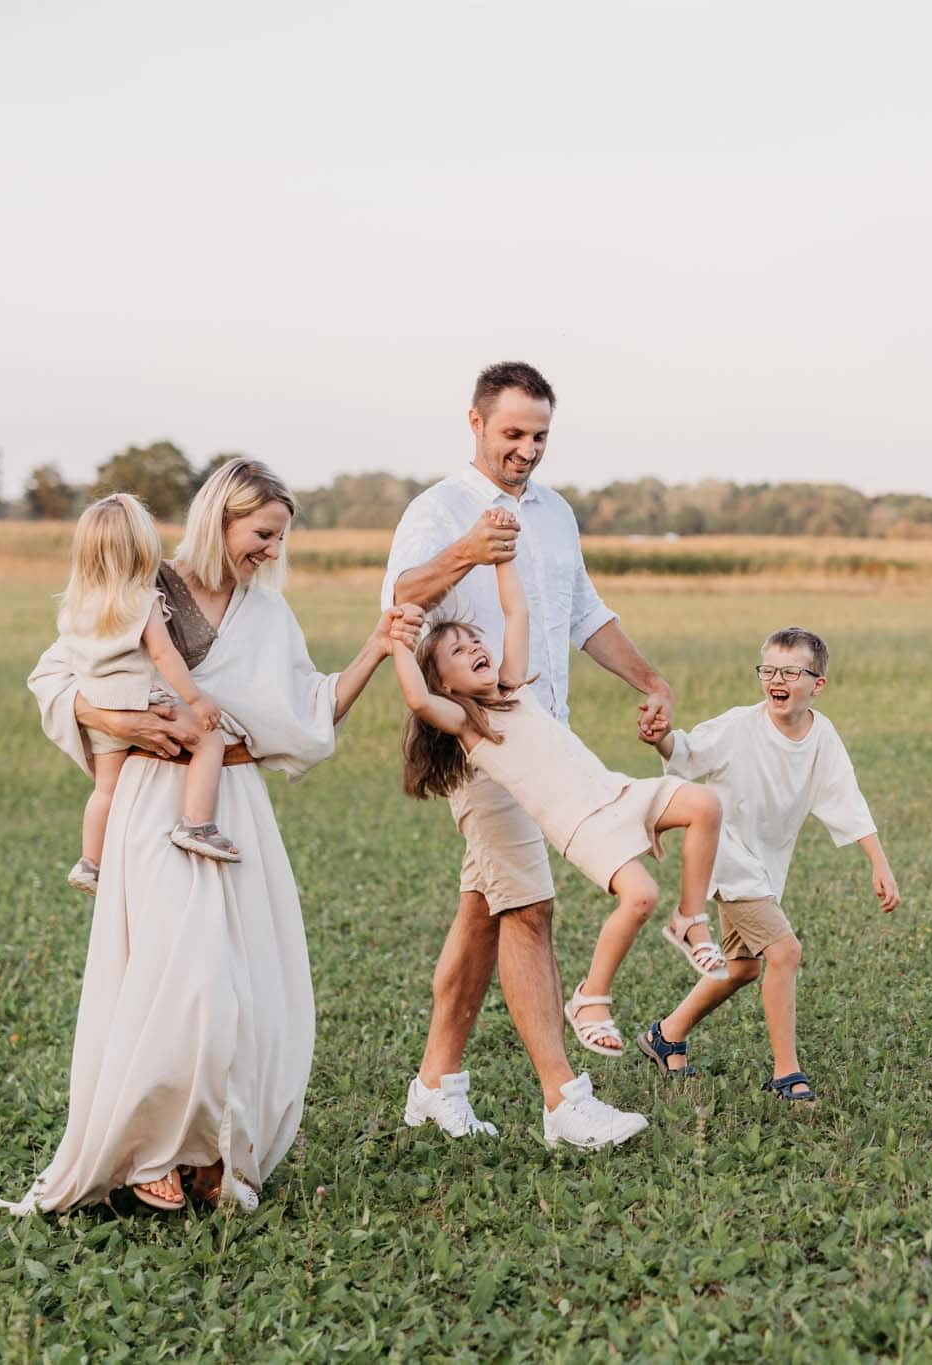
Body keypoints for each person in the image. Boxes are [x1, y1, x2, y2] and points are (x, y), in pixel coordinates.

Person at [8, 459, 421, 1213]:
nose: (271, 549)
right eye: (262, 533)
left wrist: (379, 646)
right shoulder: (142, 582)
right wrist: (117, 720)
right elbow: (55, 676)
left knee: (247, 987)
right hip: (150, 799)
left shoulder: (267, 614)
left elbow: (312, 706)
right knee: (183, 973)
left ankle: (209, 1151)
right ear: (220, 520)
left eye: (279, 537)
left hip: (232, 800)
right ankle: (148, 1153)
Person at [381, 360, 678, 1148]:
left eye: (539, 435)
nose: (526, 449)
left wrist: (648, 678)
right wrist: (471, 550)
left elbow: (585, 613)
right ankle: (564, 1100)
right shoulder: (439, 508)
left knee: (485, 908)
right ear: (475, 424)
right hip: (481, 744)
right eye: (512, 433)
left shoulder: (554, 512)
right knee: (531, 908)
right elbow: (402, 598)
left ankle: (436, 1083)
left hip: (548, 740)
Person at [389, 541, 725, 1098]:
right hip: (580, 824)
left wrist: (503, 561)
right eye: (458, 650)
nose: (475, 648)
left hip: (614, 790)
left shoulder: (515, 687)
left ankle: (690, 921)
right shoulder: (472, 729)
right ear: (444, 682)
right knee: (637, 897)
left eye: (476, 640)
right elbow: (420, 702)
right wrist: (401, 642)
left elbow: (517, 612)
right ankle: (590, 999)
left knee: (705, 805)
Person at [635, 627, 901, 1106]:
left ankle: (665, 1035)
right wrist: (660, 740)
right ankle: (787, 1075)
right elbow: (686, 753)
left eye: (791, 672)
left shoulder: (822, 736)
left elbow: (846, 797)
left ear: (817, 684)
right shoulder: (740, 725)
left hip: (764, 865)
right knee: (785, 953)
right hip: (726, 858)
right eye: (769, 671)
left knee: (742, 968)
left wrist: (878, 863)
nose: (777, 680)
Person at [55, 492, 240, 898]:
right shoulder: (143, 600)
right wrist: (196, 701)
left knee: (106, 789)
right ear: (142, 550)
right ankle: (196, 823)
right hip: (144, 699)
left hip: (100, 705)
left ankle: (91, 861)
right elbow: (163, 654)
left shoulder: (74, 605)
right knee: (210, 740)